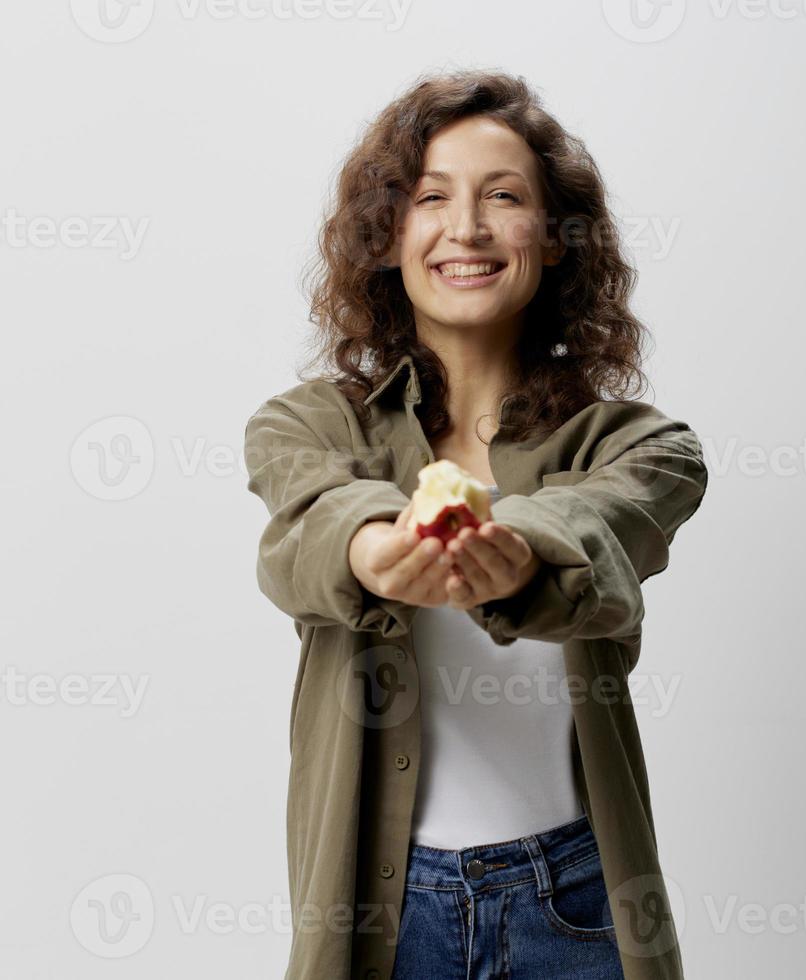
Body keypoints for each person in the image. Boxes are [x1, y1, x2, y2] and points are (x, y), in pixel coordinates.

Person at [243, 68, 709, 980]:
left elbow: (602, 518)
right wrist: (375, 545)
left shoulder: (641, 445)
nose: (467, 229)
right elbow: (306, 521)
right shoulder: (306, 424)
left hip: (578, 902)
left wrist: (518, 551)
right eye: (429, 199)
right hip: (384, 912)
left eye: (504, 196)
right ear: (386, 237)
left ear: (557, 239)